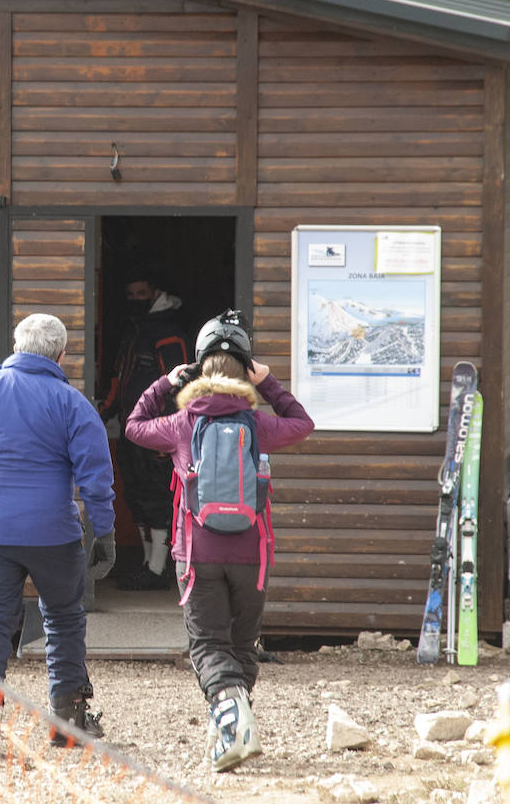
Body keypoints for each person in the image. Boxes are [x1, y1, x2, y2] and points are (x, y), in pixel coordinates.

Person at [124, 310, 313, 773]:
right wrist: (269, 384)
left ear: (198, 366)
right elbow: (302, 423)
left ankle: (230, 722)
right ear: (246, 369)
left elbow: (133, 425)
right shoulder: (258, 424)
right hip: (253, 556)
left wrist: (165, 384)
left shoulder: (181, 424)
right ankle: (233, 724)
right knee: (241, 645)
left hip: (199, 555)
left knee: (208, 645)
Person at [0, 313, 118, 754]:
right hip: (55, 535)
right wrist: (105, 534)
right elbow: (96, 476)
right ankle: (67, 721)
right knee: (63, 619)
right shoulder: (72, 403)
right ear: (61, 354)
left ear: (16, 347)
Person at [98, 269, 190, 590]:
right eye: (131, 294)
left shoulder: (168, 333)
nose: (135, 300)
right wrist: (101, 413)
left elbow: (181, 387)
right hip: (129, 431)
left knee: (156, 499)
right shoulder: (133, 332)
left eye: (142, 293)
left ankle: (158, 569)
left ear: (155, 292)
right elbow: (118, 381)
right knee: (136, 497)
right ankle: (149, 565)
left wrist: (170, 436)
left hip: (156, 435)